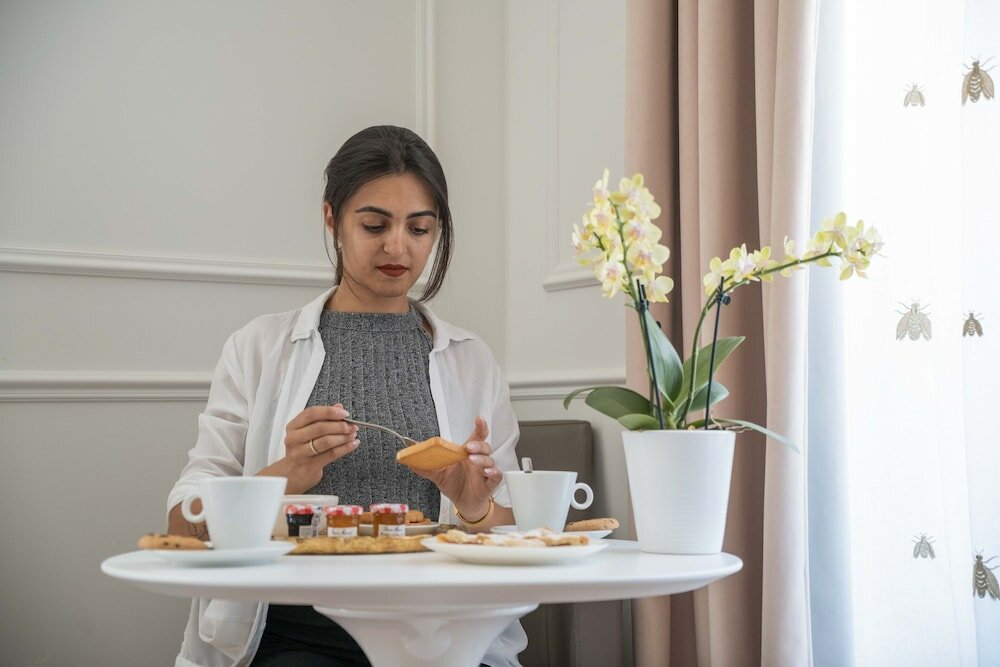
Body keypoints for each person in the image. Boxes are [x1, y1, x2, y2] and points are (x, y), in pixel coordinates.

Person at [166, 125, 525, 667]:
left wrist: (475, 507)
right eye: (374, 224)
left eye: (420, 228)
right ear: (332, 219)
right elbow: (182, 526)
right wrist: (286, 475)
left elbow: (518, 534)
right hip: (297, 636)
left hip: (444, 633)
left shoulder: (471, 359)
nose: (397, 246)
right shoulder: (257, 348)